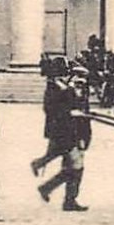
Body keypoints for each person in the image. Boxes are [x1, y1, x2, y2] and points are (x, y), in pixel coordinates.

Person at [36, 69, 92, 211]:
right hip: (67, 134)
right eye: (77, 78)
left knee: (71, 166)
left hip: (76, 134)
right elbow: (54, 112)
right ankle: (68, 200)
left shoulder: (77, 91)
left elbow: (85, 116)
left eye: (82, 78)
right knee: (76, 166)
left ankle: (49, 189)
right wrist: (70, 113)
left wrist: (85, 137)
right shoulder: (62, 91)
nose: (80, 81)